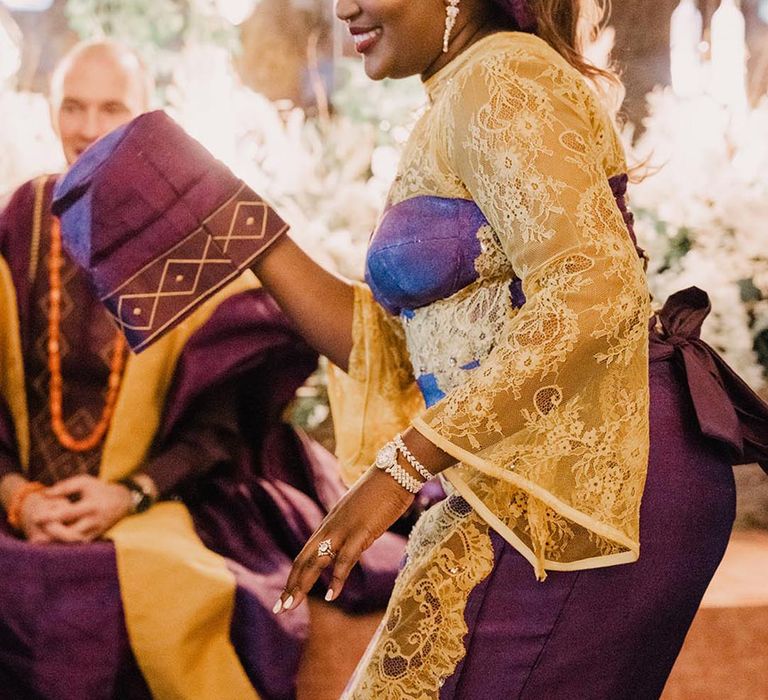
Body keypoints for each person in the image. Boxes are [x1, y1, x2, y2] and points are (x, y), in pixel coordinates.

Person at [51, 2, 768, 698]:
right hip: (533, 471)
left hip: (596, 475)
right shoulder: (458, 91)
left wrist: (399, 470)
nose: (344, 9)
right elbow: (395, 349)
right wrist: (238, 218)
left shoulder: (503, 76)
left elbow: (593, 288)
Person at [0, 39, 404, 699]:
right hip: (23, 504)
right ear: (50, 111)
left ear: (145, 120)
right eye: (73, 106)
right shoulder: (17, 220)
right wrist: (16, 493)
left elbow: (222, 420)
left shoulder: (193, 233)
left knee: (168, 591)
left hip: (155, 501)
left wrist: (128, 492)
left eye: (112, 108)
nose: (88, 127)